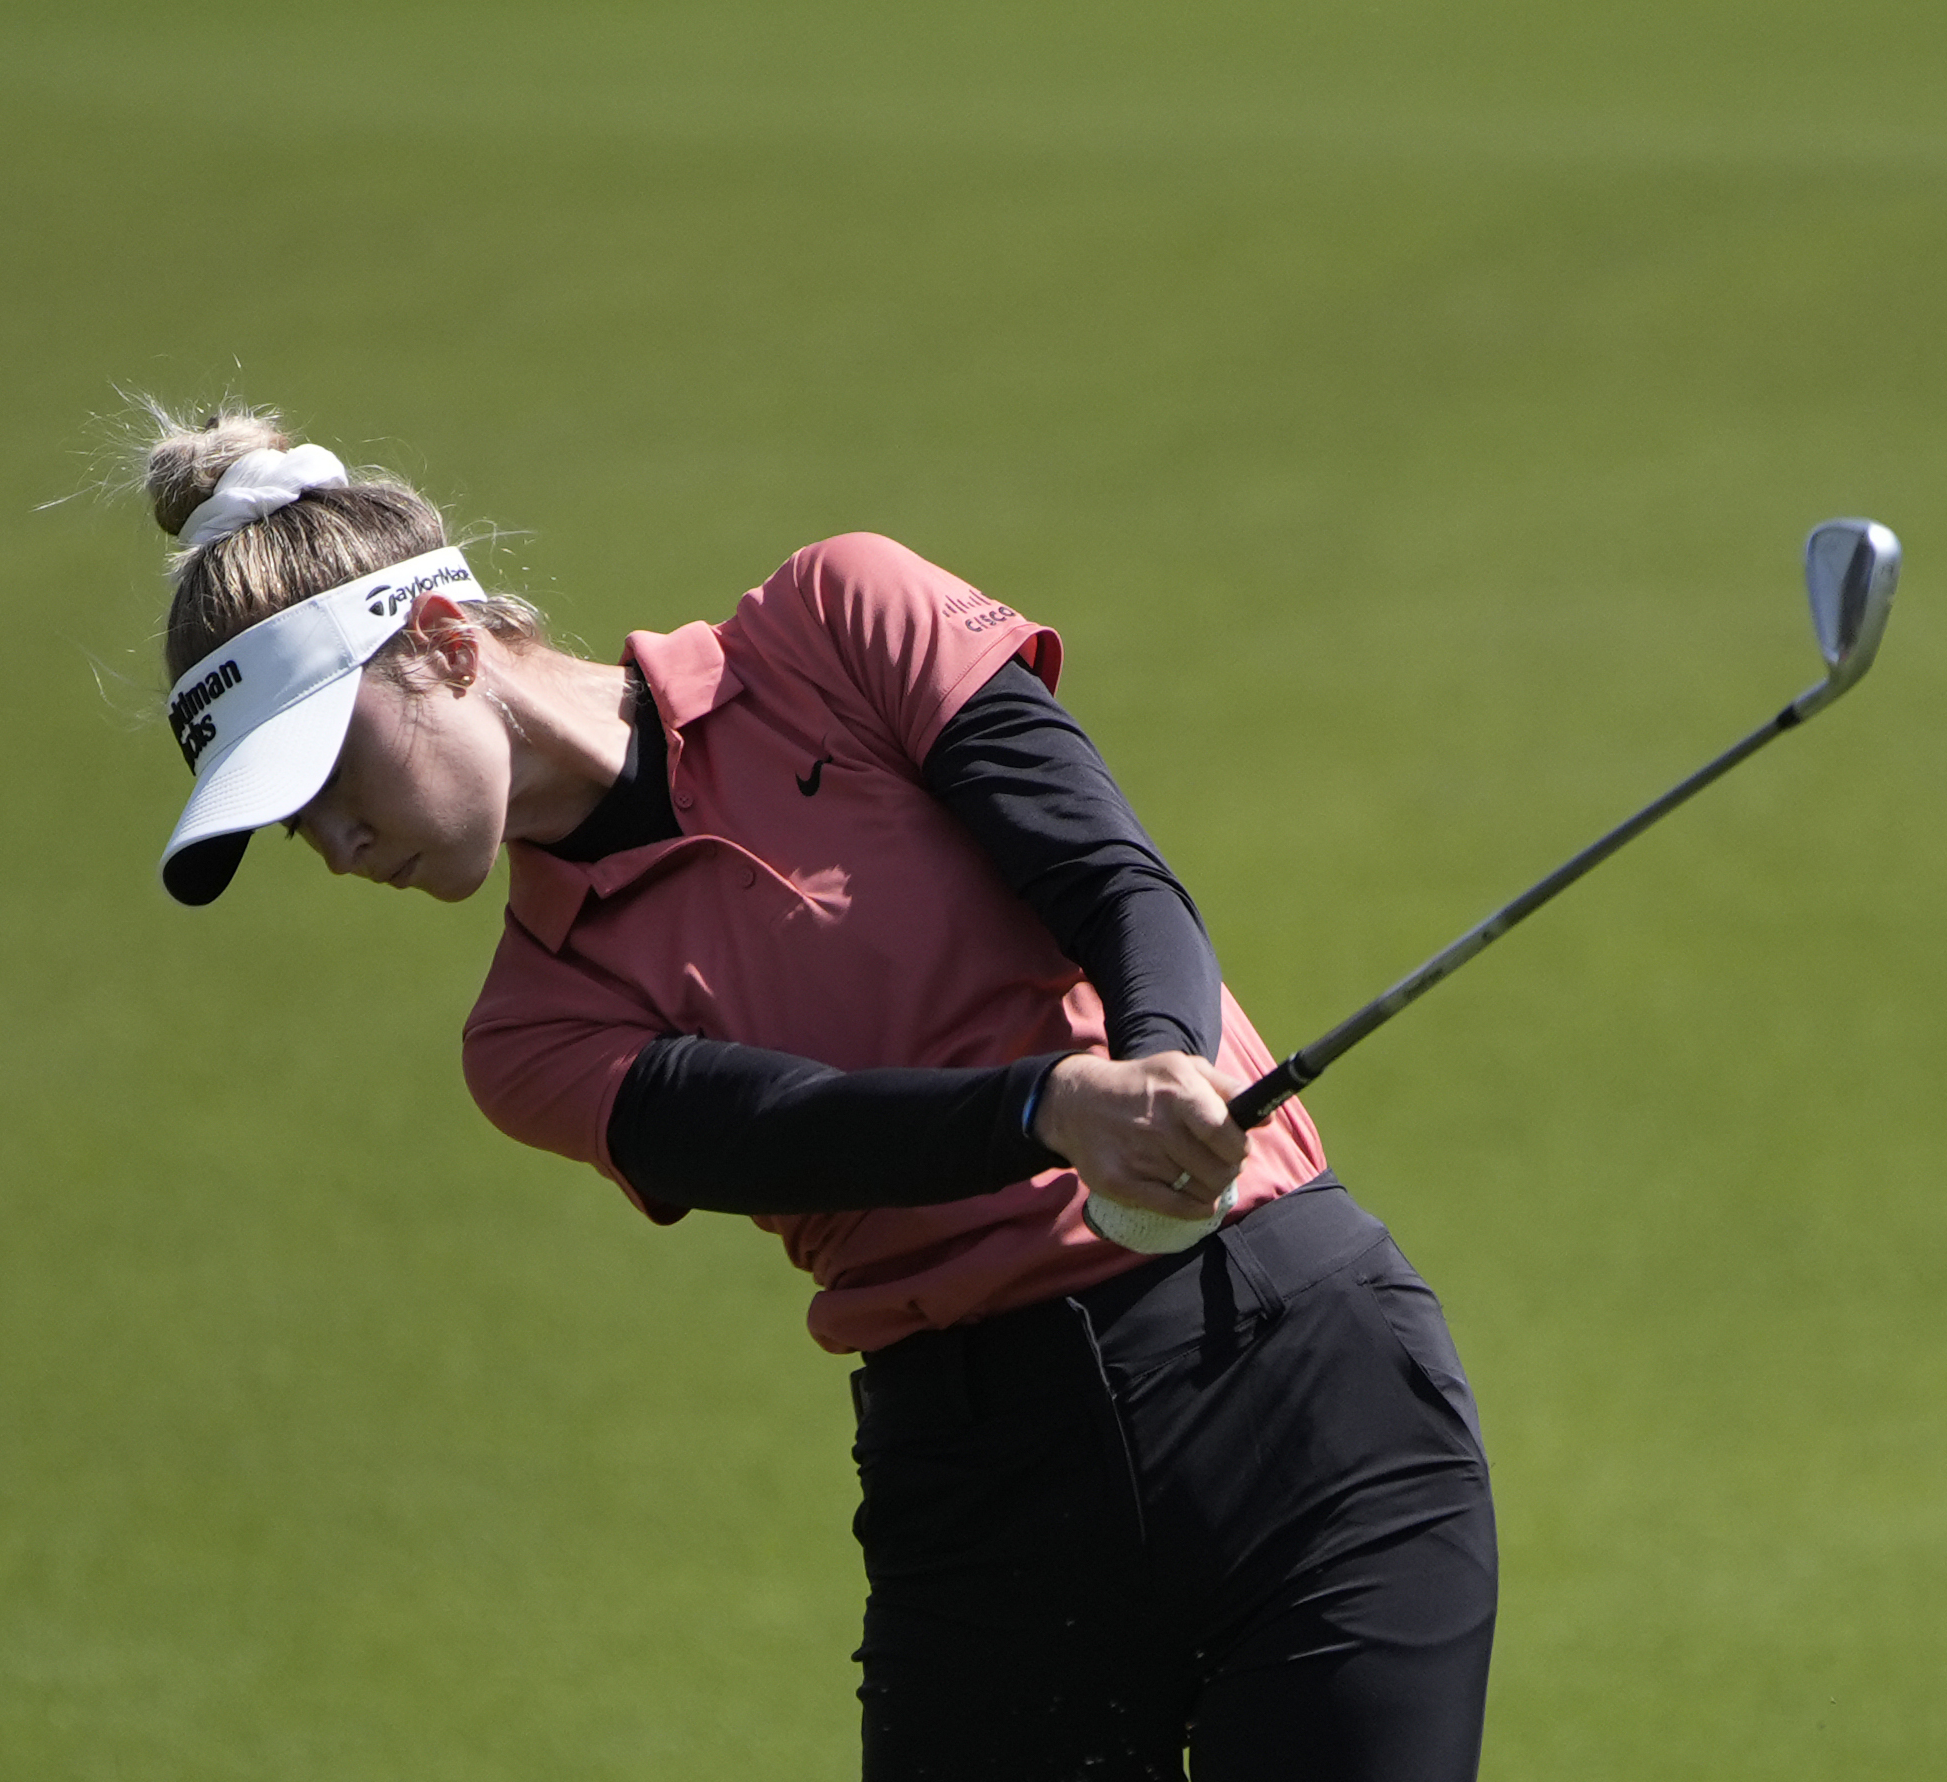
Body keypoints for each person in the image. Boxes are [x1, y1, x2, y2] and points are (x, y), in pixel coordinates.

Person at [136, 403, 1498, 1780]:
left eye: (326, 776)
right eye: (290, 824)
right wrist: (1055, 1108)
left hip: (1293, 1378)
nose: (332, 842)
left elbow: (1105, 874)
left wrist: (1159, 1061)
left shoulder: (838, 618)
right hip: (986, 1505)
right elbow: (786, 1129)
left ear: (440, 643)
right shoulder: (528, 1031)